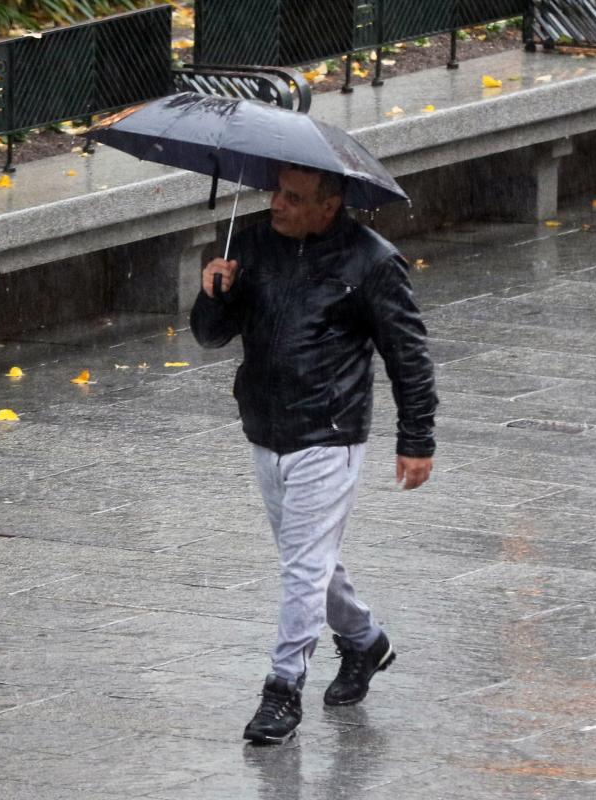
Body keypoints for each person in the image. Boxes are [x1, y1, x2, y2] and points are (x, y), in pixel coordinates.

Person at [190, 163, 437, 744]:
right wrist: (213, 294)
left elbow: (409, 355)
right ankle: (365, 640)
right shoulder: (252, 244)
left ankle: (282, 690)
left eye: (294, 198)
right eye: (277, 192)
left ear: (329, 206)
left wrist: (417, 439)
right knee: (309, 560)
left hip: (329, 435)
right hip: (265, 428)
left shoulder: (372, 262)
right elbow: (210, 335)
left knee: (301, 568)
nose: (278, 205)